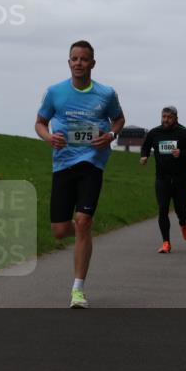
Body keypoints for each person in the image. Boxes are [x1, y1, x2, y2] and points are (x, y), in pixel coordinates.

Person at [35, 40, 125, 308]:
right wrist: (49, 138)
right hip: (63, 164)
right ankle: (84, 234)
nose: (78, 63)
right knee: (60, 231)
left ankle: (77, 290)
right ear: (69, 62)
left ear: (92, 64)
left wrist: (110, 135)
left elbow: (119, 119)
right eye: (74, 59)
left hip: (92, 163)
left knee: (83, 220)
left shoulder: (106, 94)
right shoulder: (55, 92)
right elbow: (40, 123)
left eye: (84, 59)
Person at [140, 107, 186, 254]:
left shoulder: (185, 133)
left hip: (180, 179)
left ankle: (183, 222)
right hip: (162, 178)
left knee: (180, 210)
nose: (165, 120)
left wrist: (183, 153)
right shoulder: (154, 132)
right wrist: (144, 156)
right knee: (162, 210)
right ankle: (166, 243)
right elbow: (145, 147)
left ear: (176, 118)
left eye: (169, 117)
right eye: (163, 117)